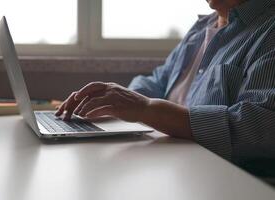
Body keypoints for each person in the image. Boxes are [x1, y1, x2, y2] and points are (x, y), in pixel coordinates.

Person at [55, 0, 275, 165]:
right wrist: (114, 101)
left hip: (221, 177)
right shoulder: (201, 28)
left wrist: (146, 108)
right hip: (173, 159)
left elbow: (258, 128)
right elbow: (158, 81)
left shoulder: (269, 31)